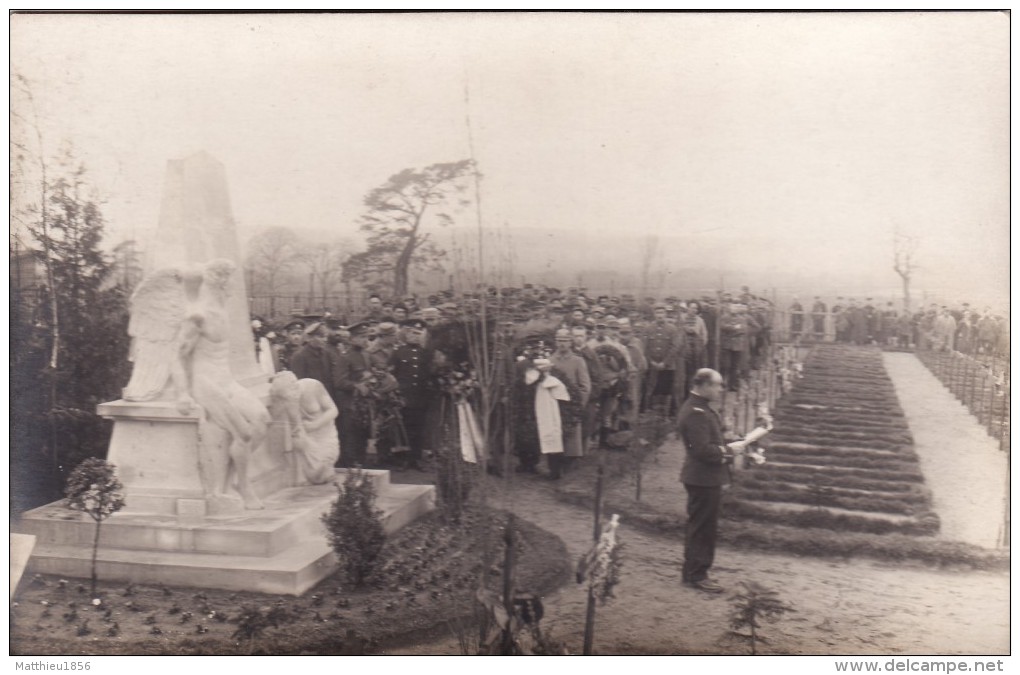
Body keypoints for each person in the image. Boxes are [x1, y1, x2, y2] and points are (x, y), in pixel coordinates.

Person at [678, 368, 745, 593]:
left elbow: (708, 441)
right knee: (703, 528)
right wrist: (729, 451)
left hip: (703, 477)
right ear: (703, 386)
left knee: (700, 525)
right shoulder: (696, 411)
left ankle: (692, 571)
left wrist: (730, 442)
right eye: (717, 385)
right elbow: (702, 450)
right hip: (703, 477)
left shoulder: (700, 408)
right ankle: (698, 574)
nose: (720, 389)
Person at [389, 319, 434, 471]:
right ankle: (405, 459)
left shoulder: (426, 353)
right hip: (404, 397)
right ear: (406, 334)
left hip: (421, 396)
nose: (415, 336)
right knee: (404, 428)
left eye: (418, 333)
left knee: (420, 428)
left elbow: (430, 374)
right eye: (412, 333)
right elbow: (391, 374)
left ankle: (417, 458)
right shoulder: (398, 352)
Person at [549, 327, 592, 476]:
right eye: (559, 340)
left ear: (570, 342)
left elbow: (585, 387)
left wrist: (577, 406)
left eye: (565, 340)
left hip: (571, 408)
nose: (562, 344)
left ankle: (569, 471)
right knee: (554, 439)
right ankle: (554, 470)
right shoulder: (549, 361)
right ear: (555, 341)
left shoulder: (578, 361)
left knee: (571, 441)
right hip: (554, 406)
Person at [333, 321, 373, 467]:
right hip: (349, 403)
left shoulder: (366, 355)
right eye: (361, 337)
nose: (365, 340)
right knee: (350, 435)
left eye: (366, 336)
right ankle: (349, 464)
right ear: (352, 339)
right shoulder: (345, 357)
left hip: (362, 403)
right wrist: (357, 385)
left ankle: (361, 462)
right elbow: (339, 382)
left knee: (362, 434)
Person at [289, 322, 339, 401]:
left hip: (329, 398)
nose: (325, 340)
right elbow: (299, 384)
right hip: (311, 401)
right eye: (321, 336)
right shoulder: (299, 356)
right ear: (310, 338)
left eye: (326, 336)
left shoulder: (327, 354)